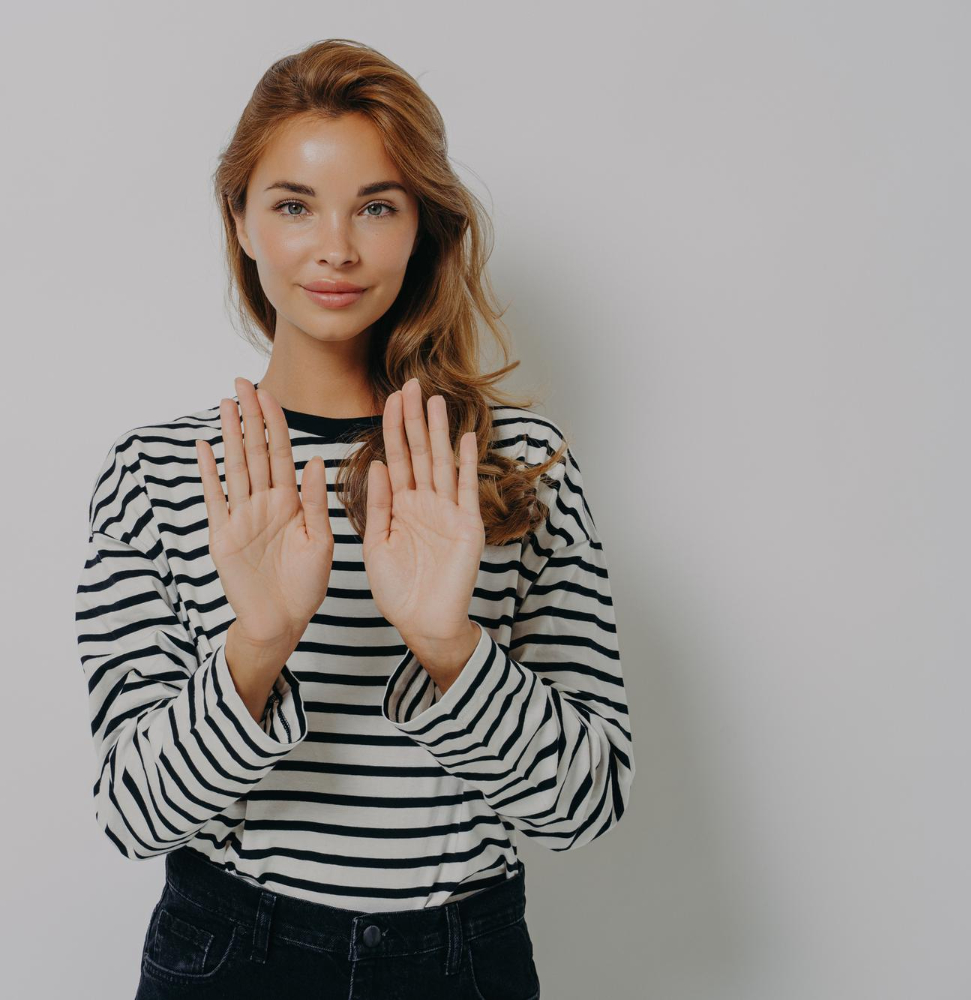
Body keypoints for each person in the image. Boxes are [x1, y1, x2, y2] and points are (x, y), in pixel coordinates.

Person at [74, 38, 634, 1000]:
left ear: (422, 226)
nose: (336, 246)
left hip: (461, 959)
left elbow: (584, 806)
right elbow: (133, 815)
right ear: (241, 223)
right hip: (230, 953)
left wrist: (448, 644)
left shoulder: (513, 467)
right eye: (294, 205)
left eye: (376, 206)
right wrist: (258, 643)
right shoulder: (162, 472)